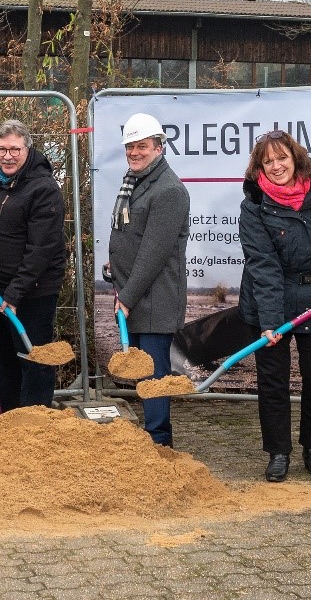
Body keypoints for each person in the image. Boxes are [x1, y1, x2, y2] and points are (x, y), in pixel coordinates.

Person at [238, 130, 311, 482]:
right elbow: (264, 267)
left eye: (282, 158)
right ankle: (278, 452)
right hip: (270, 302)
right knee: (273, 380)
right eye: (267, 161)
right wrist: (271, 322)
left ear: (296, 158)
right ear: (259, 166)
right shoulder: (254, 205)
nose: (276, 166)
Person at [0, 119, 66, 411]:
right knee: (2, 360)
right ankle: (12, 424)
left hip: (31, 292)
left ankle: (35, 427)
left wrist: (14, 294)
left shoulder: (44, 188)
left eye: (14, 149)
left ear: (27, 149)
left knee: (33, 360)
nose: (7, 156)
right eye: (2, 149)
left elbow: (42, 249)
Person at [107, 112, 189, 447]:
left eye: (142, 146)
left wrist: (126, 296)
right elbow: (132, 236)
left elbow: (154, 254)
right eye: (130, 146)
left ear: (159, 147)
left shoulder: (169, 190)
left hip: (154, 301)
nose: (135, 152)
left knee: (154, 378)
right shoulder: (137, 181)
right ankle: (152, 438)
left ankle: (159, 442)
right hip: (135, 295)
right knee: (144, 373)